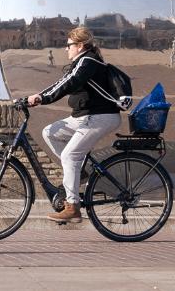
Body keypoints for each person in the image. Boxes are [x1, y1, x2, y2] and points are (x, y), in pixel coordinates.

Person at [26, 28, 121, 223]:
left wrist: (42, 98)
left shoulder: (88, 61)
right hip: (84, 116)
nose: (65, 49)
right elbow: (62, 81)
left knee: (70, 155)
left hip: (100, 116)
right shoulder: (82, 61)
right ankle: (81, 171)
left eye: (69, 45)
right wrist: (38, 96)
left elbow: (69, 83)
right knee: (49, 132)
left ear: (80, 46)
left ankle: (72, 207)